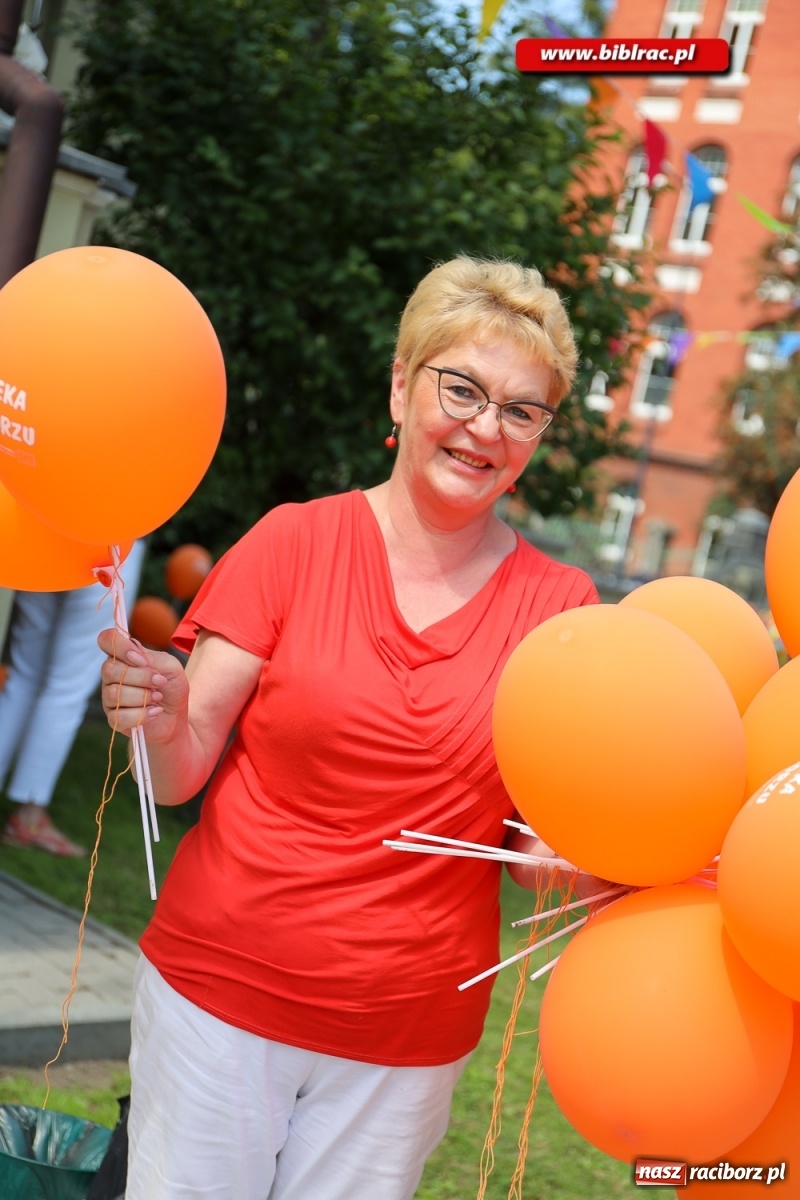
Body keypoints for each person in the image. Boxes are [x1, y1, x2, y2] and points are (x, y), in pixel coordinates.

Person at [97, 256, 600, 1200]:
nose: (486, 428)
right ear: (402, 387)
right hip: (220, 1001)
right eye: (462, 390)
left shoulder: (562, 607)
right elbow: (180, 768)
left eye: (521, 410)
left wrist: (602, 856)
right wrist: (160, 717)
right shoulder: (293, 541)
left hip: (406, 1041)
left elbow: (529, 846)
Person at [0, 539, 146, 856]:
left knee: (24, 673)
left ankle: (28, 813)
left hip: (43, 532)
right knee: (67, 687)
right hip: (110, 541)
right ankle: (28, 817)